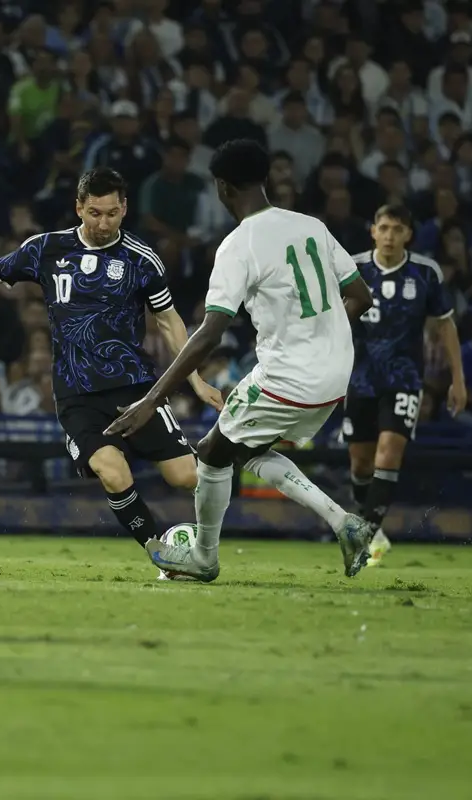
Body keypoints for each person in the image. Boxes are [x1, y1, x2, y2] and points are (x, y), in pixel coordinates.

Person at [106, 139, 378, 581]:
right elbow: (361, 296)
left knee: (211, 454)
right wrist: (321, 337)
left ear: (222, 187)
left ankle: (203, 558)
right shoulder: (311, 226)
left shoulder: (238, 245)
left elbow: (210, 333)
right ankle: (344, 522)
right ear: (264, 179)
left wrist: (152, 400)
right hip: (335, 373)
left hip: (289, 375)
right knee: (245, 449)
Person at [0, 166, 223, 571]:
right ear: (78, 208)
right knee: (112, 471)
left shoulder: (141, 259)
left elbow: (168, 320)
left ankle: (207, 540)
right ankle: (159, 550)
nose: (103, 223)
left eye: (111, 213)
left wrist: (194, 379)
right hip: (76, 394)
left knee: (187, 477)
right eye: (94, 213)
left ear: (124, 209)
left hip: (135, 389)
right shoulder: (46, 248)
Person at [345, 205, 467, 565]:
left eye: (397, 229)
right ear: (373, 231)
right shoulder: (352, 268)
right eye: (384, 228)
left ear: (408, 235)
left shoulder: (425, 272)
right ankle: (373, 529)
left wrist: (458, 379)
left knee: (389, 451)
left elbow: (445, 325)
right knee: (361, 463)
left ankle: (365, 538)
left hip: (405, 377)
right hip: (359, 377)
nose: (389, 236)